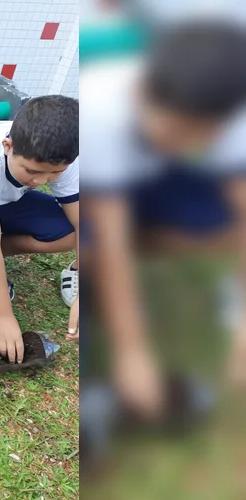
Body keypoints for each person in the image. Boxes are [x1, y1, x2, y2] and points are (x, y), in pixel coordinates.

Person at [82, 19, 246, 421]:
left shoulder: (231, 118)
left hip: (165, 180)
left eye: (200, 134)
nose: (186, 140)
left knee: (221, 227)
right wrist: (132, 353)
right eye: (175, 128)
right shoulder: (100, 110)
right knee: (90, 246)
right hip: (107, 190)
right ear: (141, 94)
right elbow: (112, 240)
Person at [0, 95, 80, 364]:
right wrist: (3, 316)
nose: (41, 181)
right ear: (8, 146)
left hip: (5, 203)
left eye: (54, 174)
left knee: (73, 232)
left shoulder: (64, 153)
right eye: (32, 171)